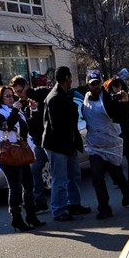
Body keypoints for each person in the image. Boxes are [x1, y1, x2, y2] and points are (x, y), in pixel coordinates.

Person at [0, 85, 44, 232]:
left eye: (12, 95)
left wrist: (34, 110)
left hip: (21, 150)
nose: (11, 98)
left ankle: (31, 216)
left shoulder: (13, 111)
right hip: (8, 152)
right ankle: (16, 219)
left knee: (29, 185)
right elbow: (6, 127)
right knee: (15, 186)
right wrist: (16, 110)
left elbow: (28, 127)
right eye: (7, 96)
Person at [42, 66, 91, 222]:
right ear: (67, 78)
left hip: (68, 144)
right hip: (58, 146)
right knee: (60, 179)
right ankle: (58, 210)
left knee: (74, 176)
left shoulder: (67, 94)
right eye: (70, 77)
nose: (71, 80)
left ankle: (74, 204)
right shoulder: (54, 97)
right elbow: (58, 126)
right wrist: (68, 146)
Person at [83, 77, 129, 219]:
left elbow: (123, 116)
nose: (96, 86)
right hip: (95, 145)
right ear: (88, 86)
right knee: (97, 177)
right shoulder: (85, 101)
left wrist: (126, 103)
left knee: (116, 175)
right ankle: (104, 208)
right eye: (93, 84)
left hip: (110, 143)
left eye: (98, 83)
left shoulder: (108, 100)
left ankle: (126, 189)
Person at [11, 75, 50, 212]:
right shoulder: (18, 105)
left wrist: (35, 107)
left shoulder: (39, 94)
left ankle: (66, 202)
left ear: (26, 86)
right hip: (35, 141)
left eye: (20, 91)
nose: (18, 94)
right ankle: (40, 201)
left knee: (55, 171)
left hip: (48, 138)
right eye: (15, 92)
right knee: (35, 170)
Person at [109, 78, 129, 186]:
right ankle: (118, 180)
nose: (117, 90)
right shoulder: (110, 99)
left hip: (126, 128)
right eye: (114, 87)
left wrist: (125, 102)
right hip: (116, 129)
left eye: (118, 86)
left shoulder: (126, 96)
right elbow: (111, 114)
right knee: (116, 156)